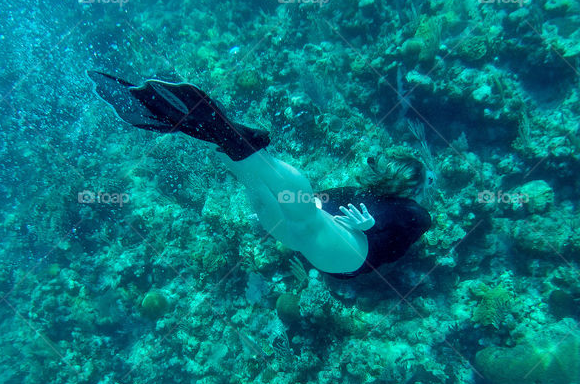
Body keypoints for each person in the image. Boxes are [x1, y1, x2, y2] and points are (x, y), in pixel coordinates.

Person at [87, 72, 432, 278]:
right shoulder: (392, 205)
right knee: (291, 211)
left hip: (335, 243)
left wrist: (371, 225)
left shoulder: (390, 204)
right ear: (411, 183)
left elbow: (389, 218)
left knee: (299, 210)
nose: (429, 189)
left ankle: (238, 144)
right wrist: (370, 226)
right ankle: (227, 144)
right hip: (335, 253)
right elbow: (332, 203)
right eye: (426, 182)